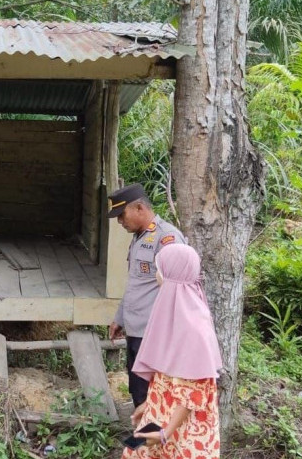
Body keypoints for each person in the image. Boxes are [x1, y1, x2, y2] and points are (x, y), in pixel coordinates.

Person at [122, 243, 222, 458]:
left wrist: (166, 433)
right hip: (162, 416)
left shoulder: (194, 326)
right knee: (134, 452)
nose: (157, 274)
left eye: (160, 268)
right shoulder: (176, 310)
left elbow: (194, 391)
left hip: (183, 429)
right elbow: (169, 373)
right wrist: (150, 405)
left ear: (171, 274)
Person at [107, 183, 185, 408]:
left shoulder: (167, 238)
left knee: (150, 392)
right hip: (136, 330)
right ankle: (144, 438)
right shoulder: (139, 237)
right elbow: (136, 283)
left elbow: (177, 290)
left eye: (122, 215)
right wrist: (120, 318)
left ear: (140, 208)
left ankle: (150, 440)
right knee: (137, 388)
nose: (120, 222)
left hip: (154, 334)